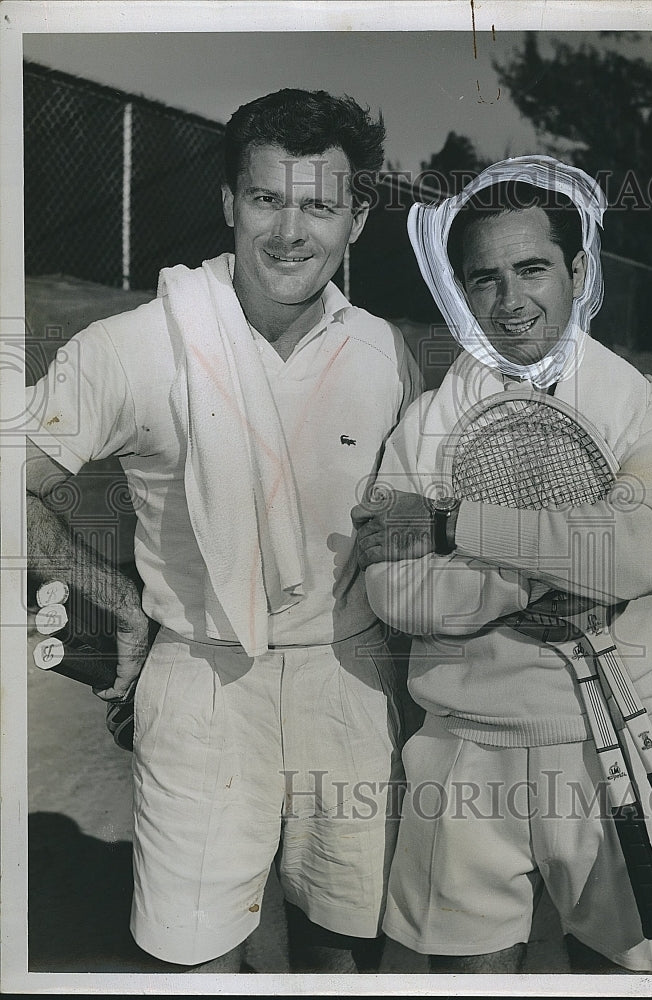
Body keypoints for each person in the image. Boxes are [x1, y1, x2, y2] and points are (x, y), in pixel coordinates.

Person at [24, 88, 422, 974]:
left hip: (346, 678)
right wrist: (118, 602)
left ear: (356, 219)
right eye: (267, 198)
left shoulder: (384, 352)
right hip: (200, 677)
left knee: (344, 953)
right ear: (227, 203)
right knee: (195, 961)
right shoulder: (135, 345)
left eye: (320, 204)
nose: (290, 231)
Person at [352, 156, 652, 974]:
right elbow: (391, 585)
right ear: (463, 290)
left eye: (533, 268)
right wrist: (550, 567)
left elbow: (641, 549)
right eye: (485, 279)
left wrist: (451, 525)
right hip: (460, 753)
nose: (510, 303)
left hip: (614, 748)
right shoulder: (427, 423)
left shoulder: (649, 407)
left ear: (578, 270)